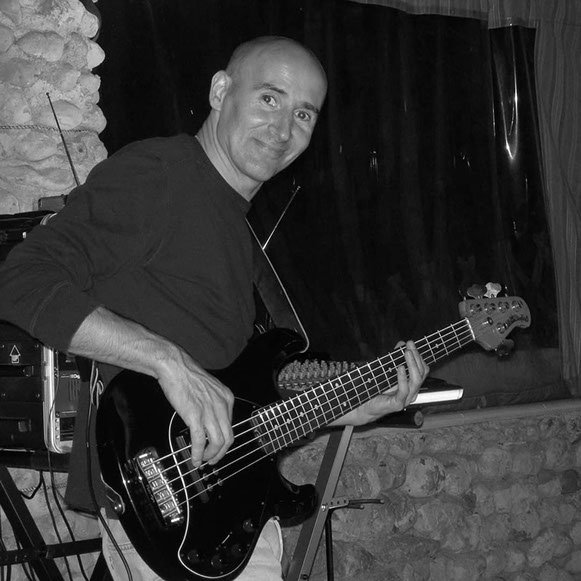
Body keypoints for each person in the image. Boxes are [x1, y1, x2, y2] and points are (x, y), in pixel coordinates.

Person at [0, 36, 429, 580]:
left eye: (303, 114)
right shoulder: (160, 174)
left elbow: (243, 402)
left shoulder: (231, 222)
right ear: (221, 91)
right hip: (165, 507)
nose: (283, 130)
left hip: (220, 510)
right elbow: (20, 278)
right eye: (269, 99)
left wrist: (349, 408)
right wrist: (168, 362)